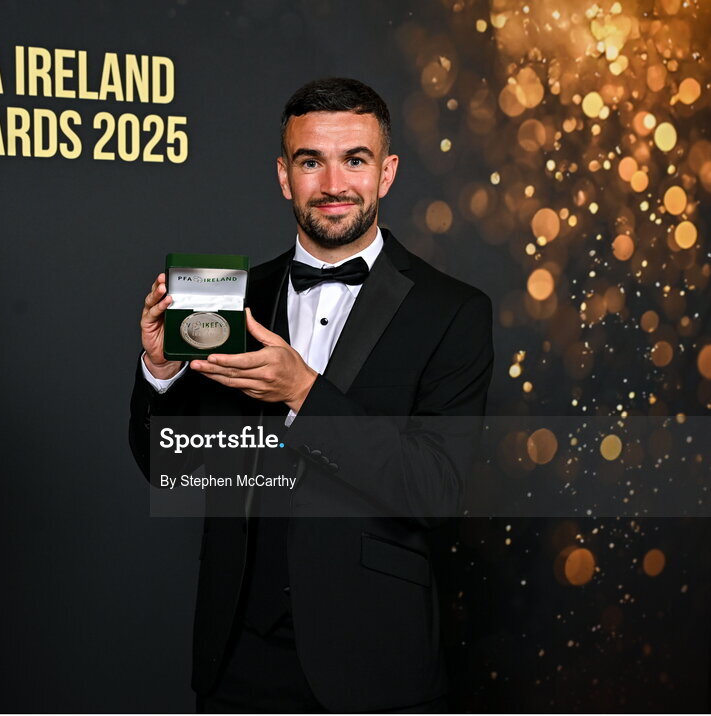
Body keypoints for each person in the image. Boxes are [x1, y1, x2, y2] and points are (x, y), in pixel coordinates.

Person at [130, 77, 493, 713]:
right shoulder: (230, 296)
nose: (331, 184)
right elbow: (175, 470)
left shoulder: (453, 311)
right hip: (237, 659)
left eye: (354, 159)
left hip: (373, 660)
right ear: (282, 174)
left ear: (387, 173)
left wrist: (304, 391)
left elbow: (437, 490)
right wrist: (160, 372)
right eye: (310, 161)